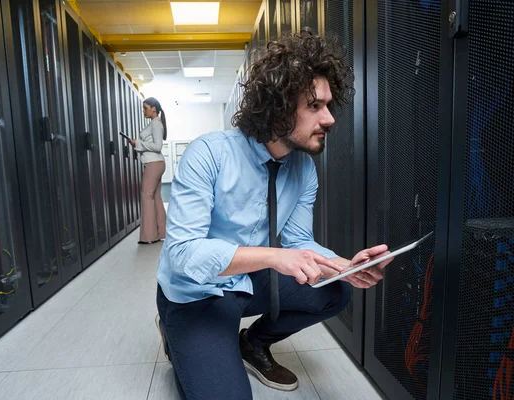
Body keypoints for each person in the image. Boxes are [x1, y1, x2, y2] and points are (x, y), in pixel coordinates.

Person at [155, 29, 393, 400]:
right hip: (197, 291)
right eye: (314, 106)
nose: (329, 118)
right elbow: (182, 254)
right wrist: (274, 257)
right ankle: (175, 332)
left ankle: (252, 343)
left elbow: (297, 241)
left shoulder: (303, 169)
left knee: (334, 291)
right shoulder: (209, 154)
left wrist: (346, 267)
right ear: (279, 108)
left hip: (250, 281)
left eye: (329, 105)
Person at [130, 97, 167, 244]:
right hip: (156, 163)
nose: (143, 111)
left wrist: (137, 143)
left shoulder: (156, 124)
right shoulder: (154, 123)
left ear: (153, 108)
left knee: (146, 196)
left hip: (153, 163)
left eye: (145, 108)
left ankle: (148, 237)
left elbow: (158, 147)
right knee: (155, 197)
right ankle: (159, 233)